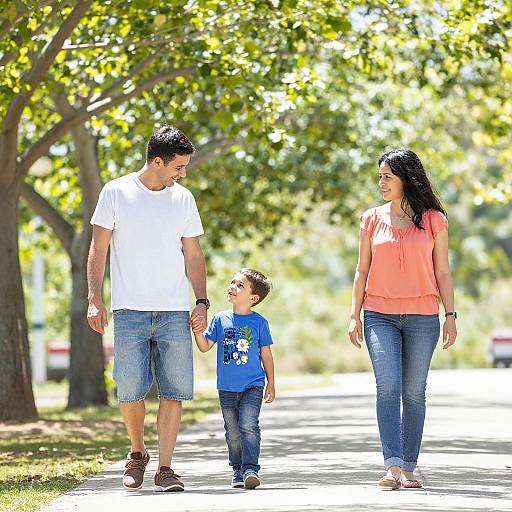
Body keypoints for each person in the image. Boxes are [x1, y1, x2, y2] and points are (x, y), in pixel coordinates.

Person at [87, 125, 209, 492]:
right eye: (179, 166)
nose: (183, 173)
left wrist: (201, 301)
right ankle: (138, 453)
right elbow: (98, 250)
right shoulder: (116, 192)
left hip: (173, 310)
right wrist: (94, 298)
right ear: (158, 161)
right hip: (129, 309)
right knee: (130, 390)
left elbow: (193, 254)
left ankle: (166, 467)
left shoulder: (183, 199)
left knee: (175, 390)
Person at [348, 149, 457, 490]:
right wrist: (354, 315)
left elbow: (442, 270)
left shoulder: (435, 221)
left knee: (413, 393)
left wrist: (450, 315)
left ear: (405, 179)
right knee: (388, 386)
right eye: (379, 176)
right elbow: (361, 269)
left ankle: (409, 468)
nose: (380, 182)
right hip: (378, 314)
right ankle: (392, 466)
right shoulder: (370, 220)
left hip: (424, 315)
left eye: (387, 177)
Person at [192, 268, 275, 490]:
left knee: (248, 425)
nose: (232, 287)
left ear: (253, 298)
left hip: (253, 385)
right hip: (227, 387)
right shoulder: (220, 319)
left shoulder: (260, 323)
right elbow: (204, 347)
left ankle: (250, 469)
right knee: (233, 431)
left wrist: (271, 383)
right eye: (232, 282)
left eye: (240, 285)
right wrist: (197, 332)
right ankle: (237, 470)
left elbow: (266, 354)